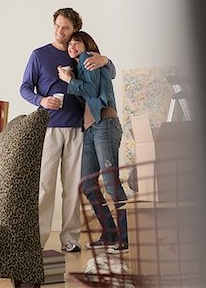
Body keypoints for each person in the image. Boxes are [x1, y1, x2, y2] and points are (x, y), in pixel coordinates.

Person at [20, 8, 116, 252]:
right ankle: (36, 241)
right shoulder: (39, 55)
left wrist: (106, 60)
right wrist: (41, 101)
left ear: (75, 30)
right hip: (49, 128)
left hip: (76, 128)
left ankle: (70, 239)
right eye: (57, 26)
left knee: (72, 187)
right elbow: (24, 88)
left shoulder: (79, 54)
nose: (60, 32)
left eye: (66, 28)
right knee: (45, 186)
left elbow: (108, 73)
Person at [57, 31, 128, 253]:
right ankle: (109, 234)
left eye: (76, 42)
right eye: (69, 44)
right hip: (89, 131)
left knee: (111, 183)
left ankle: (124, 239)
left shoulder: (90, 59)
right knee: (87, 184)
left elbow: (92, 91)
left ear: (86, 44)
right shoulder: (81, 66)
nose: (72, 46)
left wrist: (69, 81)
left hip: (105, 126)